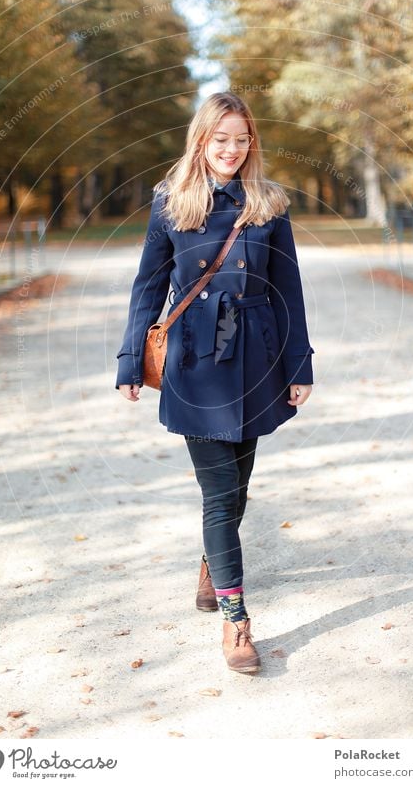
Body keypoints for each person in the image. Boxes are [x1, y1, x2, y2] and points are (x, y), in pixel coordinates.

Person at [116, 91, 314, 673]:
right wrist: (131, 360)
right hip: (196, 361)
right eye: (220, 138)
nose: (231, 149)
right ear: (200, 140)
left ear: (251, 143)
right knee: (220, 494)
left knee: (240, 488)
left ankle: (211, 563)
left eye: (241, 138)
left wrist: (298, 364)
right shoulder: (171, 203)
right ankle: (236, 622)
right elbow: (147, 288)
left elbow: (290, 290)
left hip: (257, 358)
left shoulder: (269, 204)